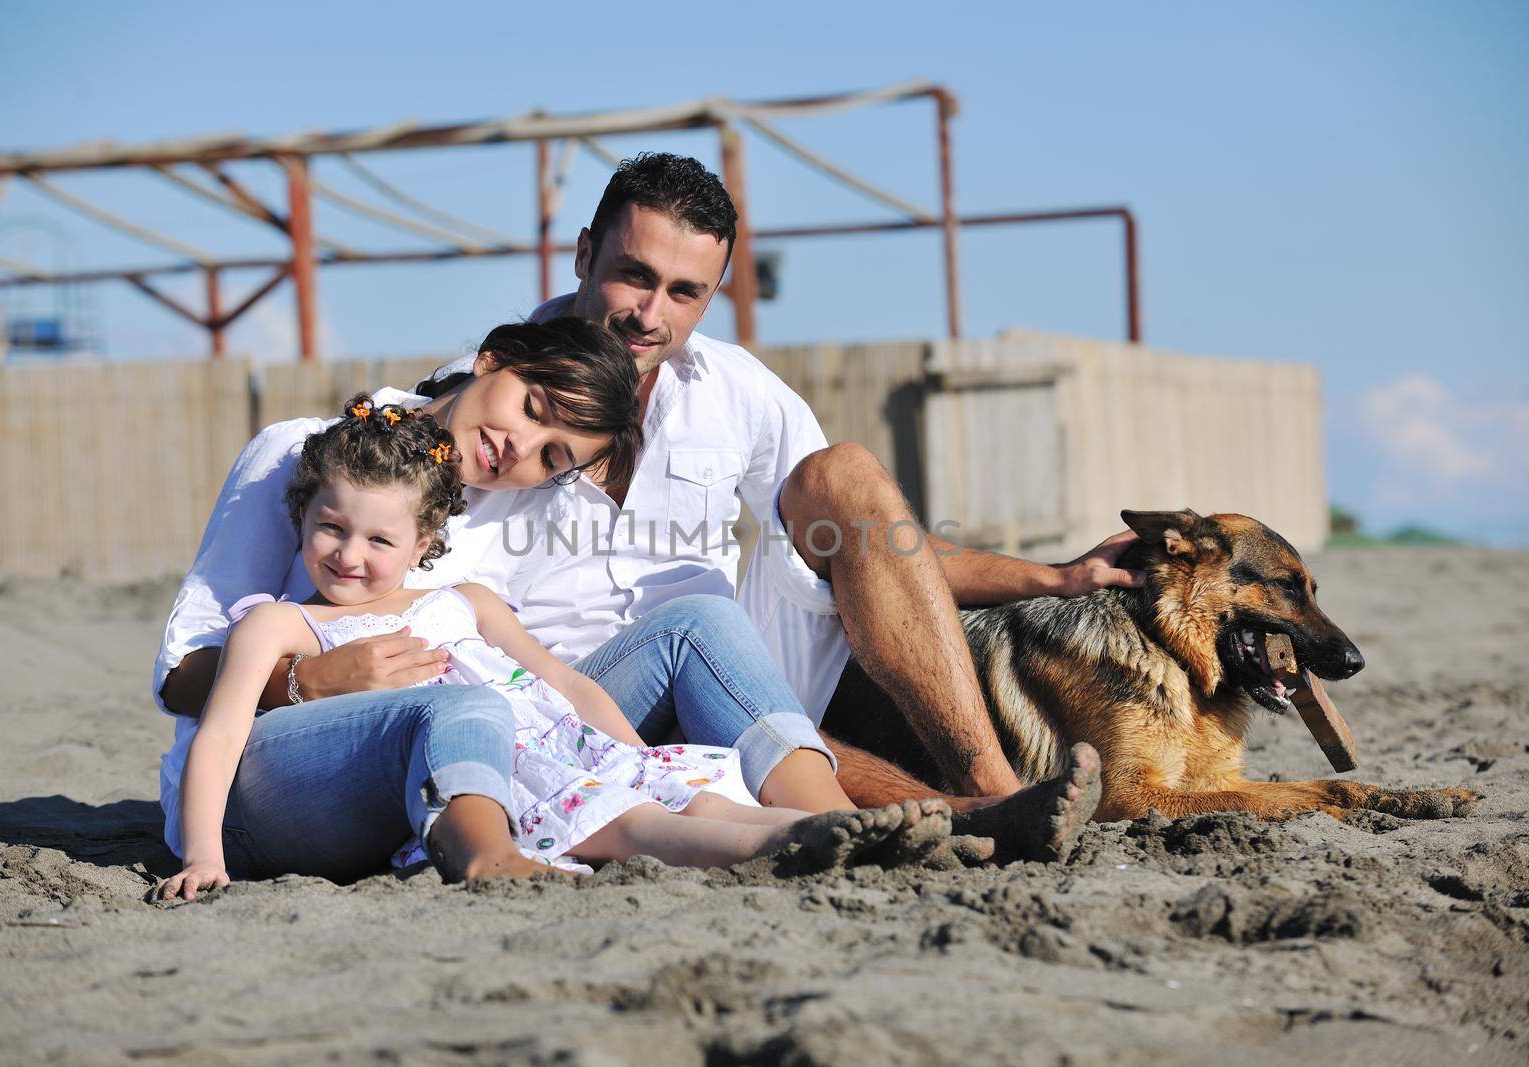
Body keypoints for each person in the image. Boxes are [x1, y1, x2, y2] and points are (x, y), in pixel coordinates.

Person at [409, 154, 1128, 851]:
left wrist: (1057, 578)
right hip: (570, 695)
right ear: (585, 253)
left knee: (840, 477)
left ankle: (990, 793)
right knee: (704, 632)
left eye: (684, 292)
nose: (650, 314)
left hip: (725, 668)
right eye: (635, 276)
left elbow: (882, 538)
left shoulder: (732, 389)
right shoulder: (493, 407)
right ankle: (937, 817)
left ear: (712, 296)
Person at [156, 317, 873, 884]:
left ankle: (838, 824)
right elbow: (179, 672)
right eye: (531, 407)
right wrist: (304, 681)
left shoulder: (523, 503)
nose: (519, 448)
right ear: (491, 360)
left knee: (698, 624)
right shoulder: (308, 456)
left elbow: (553, 673)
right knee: (462, 709)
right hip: (289, 760)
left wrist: (630, 764)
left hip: (491, 725)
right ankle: (491, 850)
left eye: (553, 454)